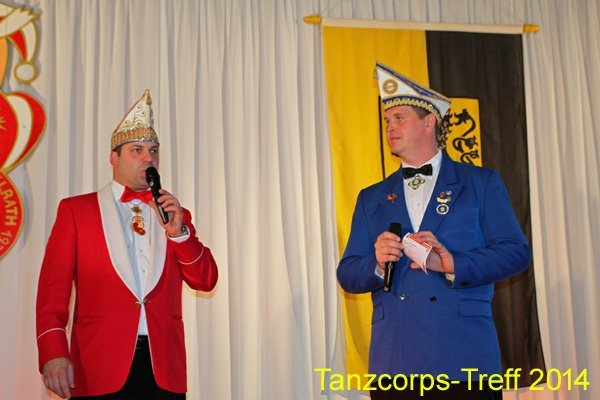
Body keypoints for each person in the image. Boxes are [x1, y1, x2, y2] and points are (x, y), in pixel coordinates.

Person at [336, 62, 531, 400]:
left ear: (429, 123)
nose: (390, 127)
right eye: (387, 120)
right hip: (396, 361)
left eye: (399, 118)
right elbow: (348, 274)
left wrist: (453, 263)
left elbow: (515, 252)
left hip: (464, 354)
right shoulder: (371, 197)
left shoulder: (481, 183)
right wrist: (376, 263)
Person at [36, 90, 218, 399]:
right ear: (114, 158)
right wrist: (53, 353)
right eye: (137, 150)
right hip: (98, 363)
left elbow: (206, 280)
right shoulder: (76, 211)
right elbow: (52, 291)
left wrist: (180, 235)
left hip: (164, 366)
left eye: (154, 150)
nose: (149, 158)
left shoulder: (175, 214)